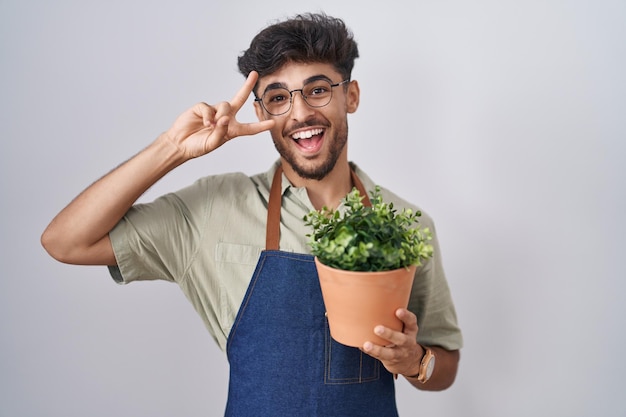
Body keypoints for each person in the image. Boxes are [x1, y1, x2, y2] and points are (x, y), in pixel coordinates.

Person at [41, 12, 462, 416]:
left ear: (350, 96)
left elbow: (444, 366)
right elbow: (65, 241)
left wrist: (416, 361)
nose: (299, 114)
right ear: (260, 113)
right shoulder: (213, 209)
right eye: (278, 98)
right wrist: (172, 147)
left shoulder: (406, 227)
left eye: (317, 90)